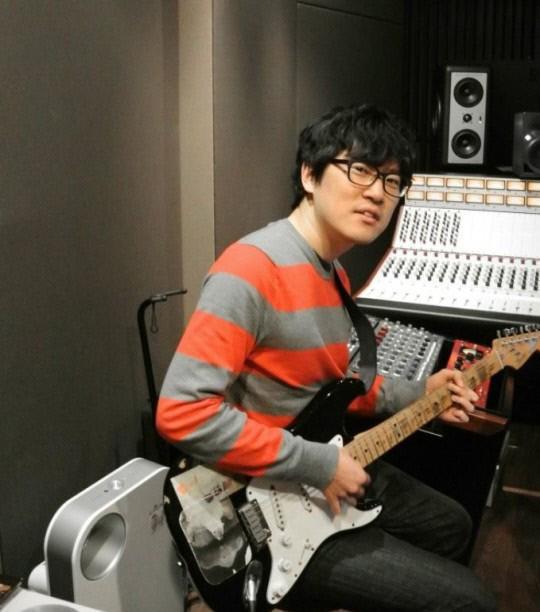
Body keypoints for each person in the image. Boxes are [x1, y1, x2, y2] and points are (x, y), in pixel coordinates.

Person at [156, 104, 497, 611]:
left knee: (453, 526)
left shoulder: (331, 272)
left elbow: (334, 385)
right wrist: (319, 464)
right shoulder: (250, 270)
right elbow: (182, 413)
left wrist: (421, 395)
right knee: (473, 602)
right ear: (309, 176)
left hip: (312, 471)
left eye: (392, 181)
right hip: (268, 506)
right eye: (360, 170)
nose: (378, 193)